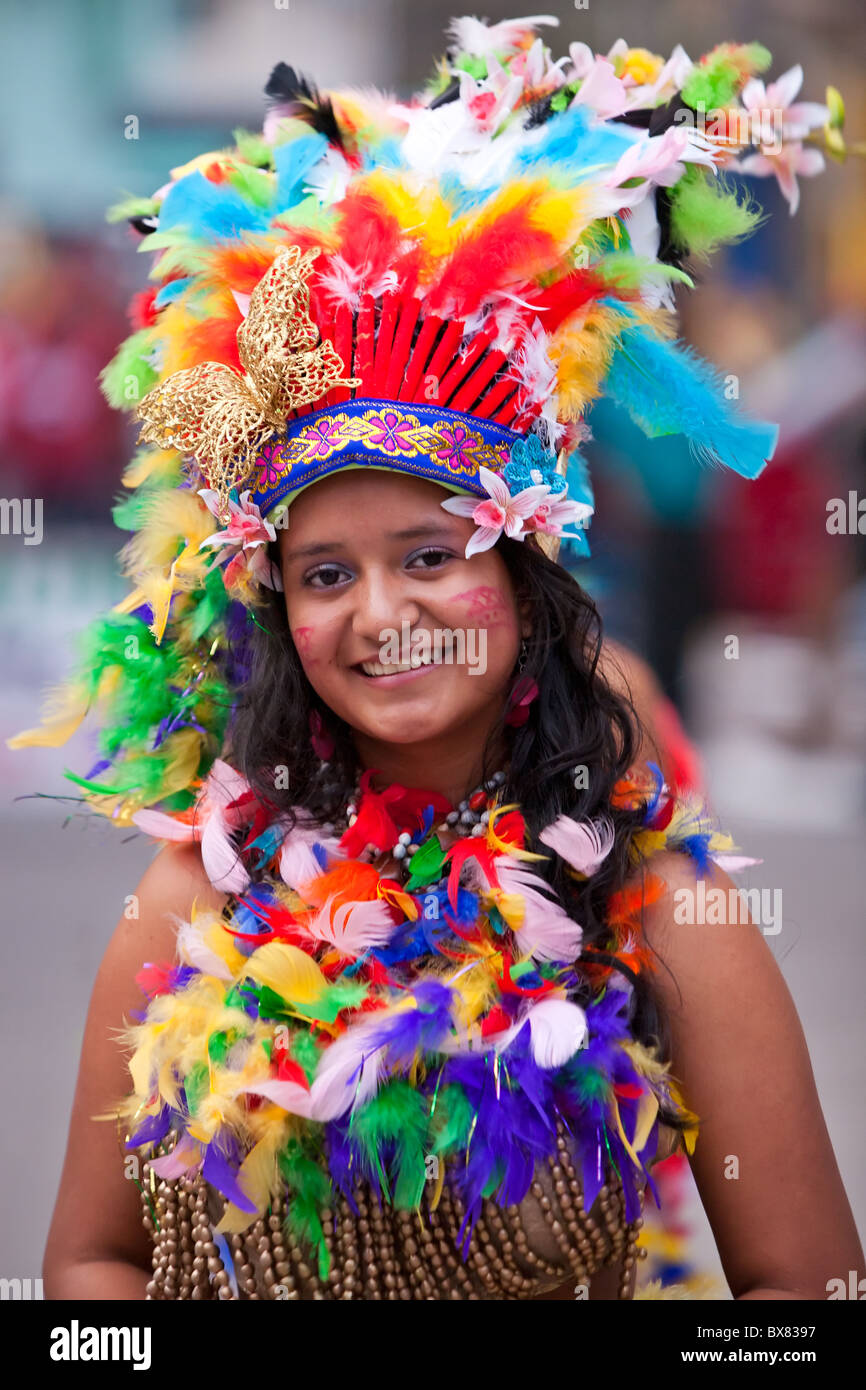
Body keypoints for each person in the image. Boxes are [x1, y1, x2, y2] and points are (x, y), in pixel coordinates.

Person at [16, 14, 862, 1300]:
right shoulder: (197, 896)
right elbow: (77, 1283)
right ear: (278, 610)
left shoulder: (660, 909)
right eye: (324, 573)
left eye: (428, 553)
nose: (377, 611)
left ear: (523, 577)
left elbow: (809, 1305)